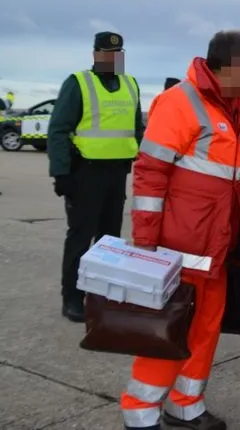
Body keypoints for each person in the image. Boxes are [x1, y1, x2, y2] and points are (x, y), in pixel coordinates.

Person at [120, 30, 240, 430]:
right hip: (180, 244)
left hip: (220, 244)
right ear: (226, 65)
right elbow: (150, 173)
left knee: (206, 327)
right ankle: (140, 411)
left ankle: (185, 405)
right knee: (168, 328)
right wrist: (146, 241)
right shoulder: (180, 102)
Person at [47, 31, 145, 323]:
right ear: (95, 54)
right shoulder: (78, 83)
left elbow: (136, 129)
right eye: (105, 53)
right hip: (85, 173)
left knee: (110, 240)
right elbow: (58, 130)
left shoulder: (130, 83)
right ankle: (73, 298)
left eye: (117, 53)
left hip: (116, 173)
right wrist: (61, 172)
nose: (112, 58)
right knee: (80, 237)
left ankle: (101, 296)